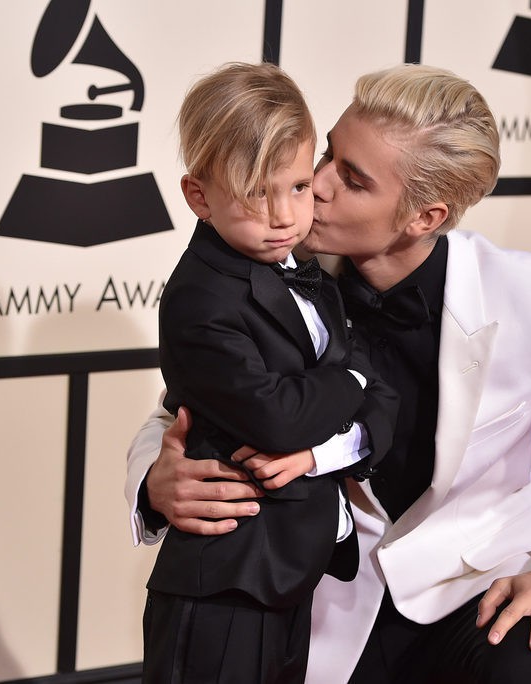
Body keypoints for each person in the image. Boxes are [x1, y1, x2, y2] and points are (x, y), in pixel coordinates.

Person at [127, 64, 531, 683]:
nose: (316, 185)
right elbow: (181, 409)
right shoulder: (274, 264)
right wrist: (154, 481)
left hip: (477, 589)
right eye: (328, 155)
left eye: (352, 181)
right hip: (325, 596)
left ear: (423, 218)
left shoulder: (528, 299)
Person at [142, 62, 398, 684]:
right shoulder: (201, 300)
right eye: (258, 192)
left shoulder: (306, 265)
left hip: (289, 575)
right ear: (199, 196)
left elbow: (381, 404)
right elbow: (281, 418)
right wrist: (354, 383)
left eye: (298, 187)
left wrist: (345, 411)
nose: (285, 215)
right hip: (225, 582)